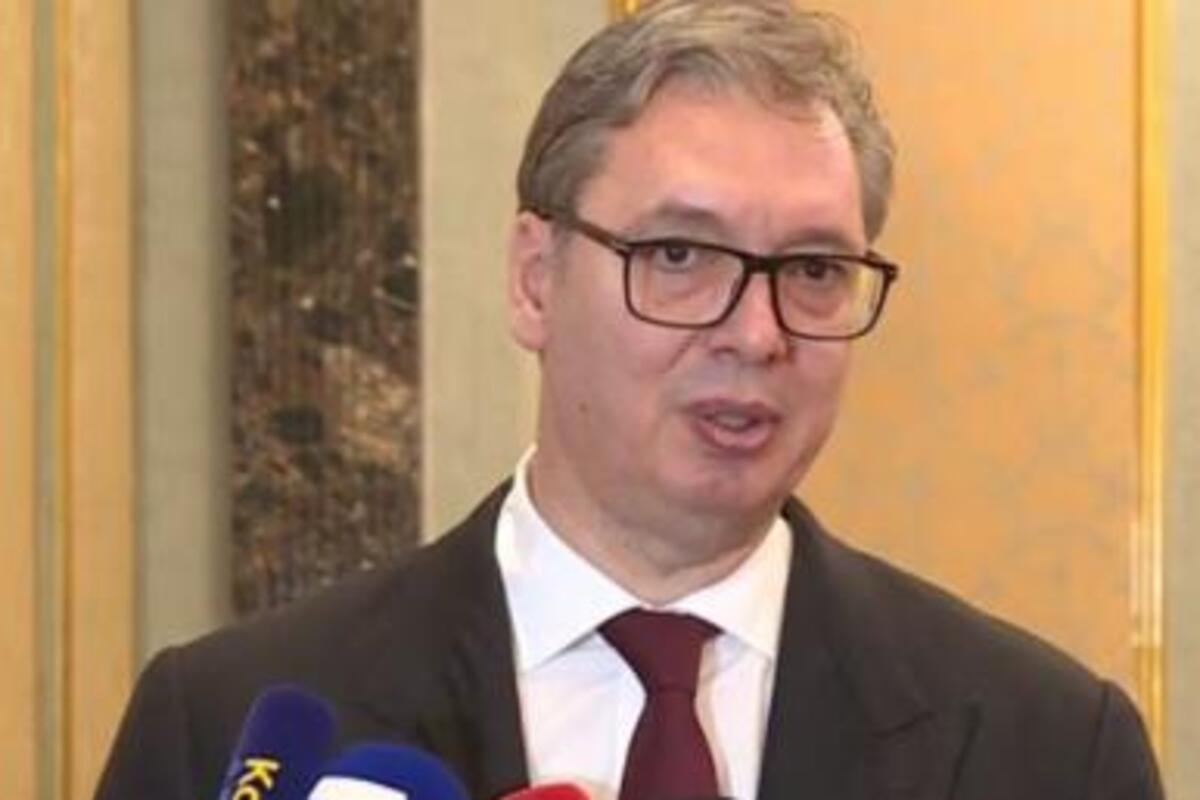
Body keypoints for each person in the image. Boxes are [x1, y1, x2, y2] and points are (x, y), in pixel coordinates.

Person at [96, 2, 1164, 799]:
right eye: (681, 254)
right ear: (534, 279)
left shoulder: (1049, 749)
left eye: (813, 269)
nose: (758, 333)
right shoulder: (227, 724)